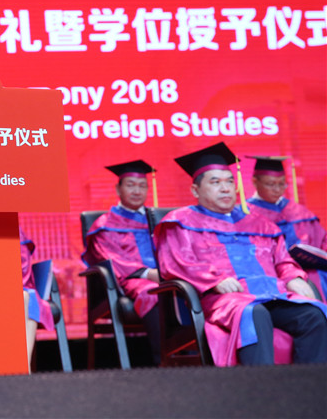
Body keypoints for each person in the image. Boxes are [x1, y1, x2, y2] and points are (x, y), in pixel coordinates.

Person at [154, 142, 327, 366]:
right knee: (254, 313)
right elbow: (178, 263)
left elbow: (282, 260)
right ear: (195, 190)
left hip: (272, 293)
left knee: (313, 315)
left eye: (229, 181)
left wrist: (293, 277)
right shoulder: (180, 222)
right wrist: (214, 280)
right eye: (215, 182)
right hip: (226, 300)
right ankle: (258, 385)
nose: (225, 188)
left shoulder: (259, 223)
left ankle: (309, 384)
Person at [82, 160, 160, 364]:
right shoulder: (106, 224)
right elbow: (111, 259)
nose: (137, 191)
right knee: (152, 293)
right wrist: (149, 274)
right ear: (118, 189)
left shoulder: (159, 221)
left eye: (142, 186)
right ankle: (165, 360)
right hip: (131, 282)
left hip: (165, 276)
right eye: (131, 185)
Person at [246, 155, 327, 300]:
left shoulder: (299, 212)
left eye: (282, 184)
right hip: (272, 273)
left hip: (310, 269)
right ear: (255, 182)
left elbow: (323, 242)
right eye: (270, 184)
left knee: (318, 274)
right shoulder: (246, 215)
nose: (277, 189)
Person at [20, 228, 55, 372]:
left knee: (28, 297)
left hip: (22, 287)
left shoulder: (15, 233)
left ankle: (24, 366)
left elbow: (23, 269)